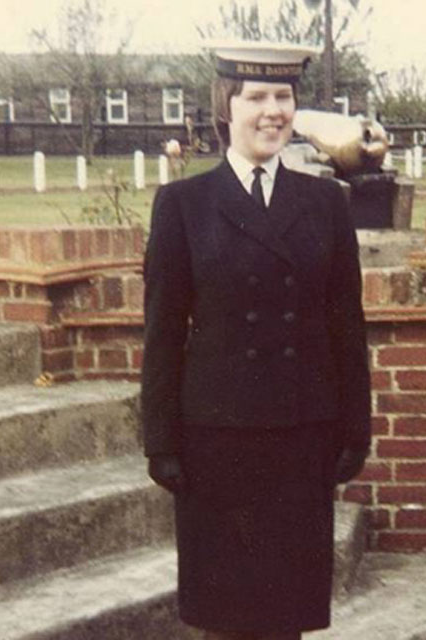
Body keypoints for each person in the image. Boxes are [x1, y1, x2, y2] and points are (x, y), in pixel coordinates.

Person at [140, 41, 371, 640]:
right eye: (257, 97)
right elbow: (163, 332)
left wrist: (355, 426)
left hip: (302, 433)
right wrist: (160, 440)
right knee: (226, 615)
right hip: (217, 437)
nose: (273, 111)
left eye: (284, 97)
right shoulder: (183, 205)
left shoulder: (325, 203)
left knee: (285, 613)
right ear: (227, 108)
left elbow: (346, 322)